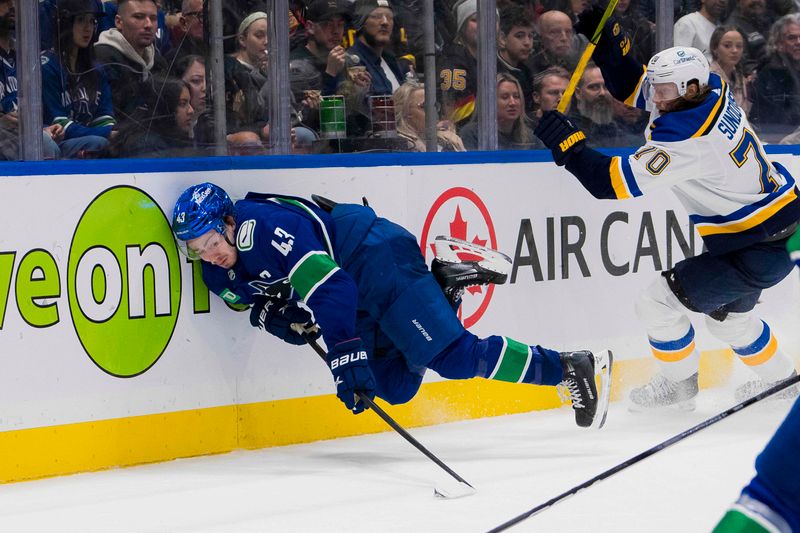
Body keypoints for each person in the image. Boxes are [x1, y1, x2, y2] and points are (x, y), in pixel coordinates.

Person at [170, 182, 612, 428]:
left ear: (229, 222)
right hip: (349, 282)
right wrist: (281, 320)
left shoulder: (261, 228)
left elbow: (332, 290)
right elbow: (259, 303)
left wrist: (345, 358)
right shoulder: (216, 269)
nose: (207, 255)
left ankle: (569, 366)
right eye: (195, 249)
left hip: (373, 256)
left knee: (453, 358)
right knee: (396, 387)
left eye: (209, 242)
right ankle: (442, 292)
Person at [535, 6, 800, 410]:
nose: (654, 96)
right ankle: (785, 385)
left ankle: (678, 391)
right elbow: (633, 83)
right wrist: (609, 40)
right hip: (777, 230)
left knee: (657, 304)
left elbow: (609, 184)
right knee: (731, 321)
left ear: (687, 88)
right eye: (658, 87)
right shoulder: (707, 87)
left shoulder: (689, 138)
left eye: (663, 90)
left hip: (759, 243)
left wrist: (569, 146)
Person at [42, 0, 117, 158]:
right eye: (81, 20)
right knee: (98, 143)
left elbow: (104, 117)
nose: (88, 28)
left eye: (92, 21)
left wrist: (115, 132)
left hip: (89, 139)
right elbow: (60, 123)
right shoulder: (48, 67)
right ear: (65, 23)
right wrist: (107, 133)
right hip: (56, 144)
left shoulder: (97, 69)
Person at [94, 0, 168, 127]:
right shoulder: (102, 57)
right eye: (138, 17)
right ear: (119, 22)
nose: (148, 25)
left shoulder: (158, 61)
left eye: (153, 18)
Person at [749, 14, 800, 141]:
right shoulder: (769, 74)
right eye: (792, 38)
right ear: (779, 43)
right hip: (779, 144)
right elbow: (772, 121)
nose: (798, 42)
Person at [460, 72, 542, 150]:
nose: (512, 103)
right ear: (489, 102)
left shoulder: (530, 138)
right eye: (505, 97)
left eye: (516, 96)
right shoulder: (472, 134)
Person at [437, 0, 479, 129]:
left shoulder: (496, 61)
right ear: (462, 26)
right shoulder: (453, 60)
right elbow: (455, 118)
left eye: (492, 19)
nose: (484, 25)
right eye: (475, 20)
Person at [393, 80, 465, 152]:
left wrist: (452, 147)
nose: (433, 112)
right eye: (425, 106)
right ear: (405, 111)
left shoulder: (442, 140)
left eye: (435, 106)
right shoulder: (398, 144)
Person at [497, 5, 535, 114]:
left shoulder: (527, 72)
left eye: (530, 36)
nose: (527, 43)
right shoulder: (491, 71)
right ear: (502, 39)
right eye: (520, 36)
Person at [709, 25, 751, 117]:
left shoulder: (740, 78)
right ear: (714, 48)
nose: (735, 50)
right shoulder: (708, 77)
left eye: (739, 46)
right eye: (727, 46)